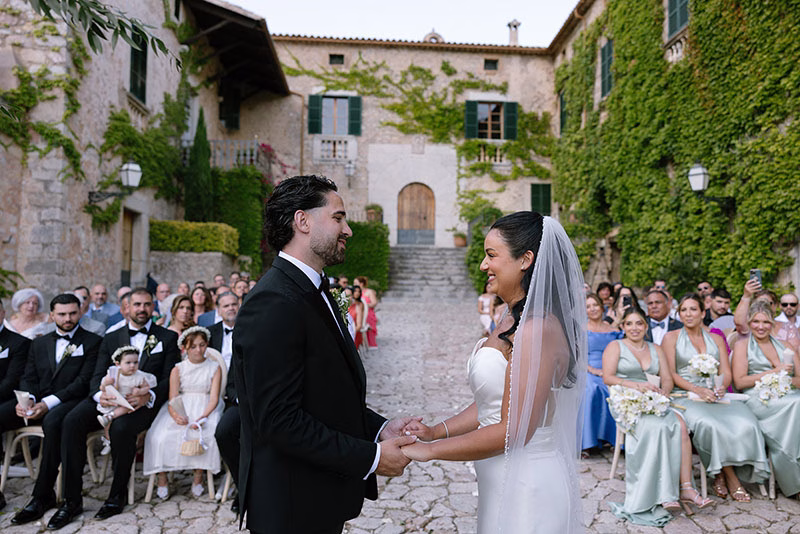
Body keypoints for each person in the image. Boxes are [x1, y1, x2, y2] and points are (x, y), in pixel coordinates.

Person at [232, 175, 417, 533]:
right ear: (302, 221)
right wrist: (373, 457)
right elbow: (278, 421)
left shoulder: (312, 289)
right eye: (338, 218)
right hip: (291, 507)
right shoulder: (273, 302)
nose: (347, 229)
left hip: (317, 499)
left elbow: (323, 396)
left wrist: (379, 428)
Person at [401, 212, 587, 533]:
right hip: (500, 476)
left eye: (491, 255)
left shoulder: (536, 329)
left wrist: (430, 452)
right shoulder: (509, 317)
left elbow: (514, 429)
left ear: (525, 260)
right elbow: (497, 400)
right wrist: (436, 431)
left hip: (528, 484)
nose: (483, 266)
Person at [52, 288, 179, 529]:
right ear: (126, 309)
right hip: (110, 399)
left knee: (121, 428)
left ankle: (116, 496)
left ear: (153, 307)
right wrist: (103, 396)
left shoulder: (167, 337)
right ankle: (71, 500)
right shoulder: (111, 338)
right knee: (72, 421)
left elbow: (168, 377)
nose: (142, 309)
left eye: (147, 304)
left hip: (145, 404)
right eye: (137, 305)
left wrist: (149, 395)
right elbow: (97, 375)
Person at [603, 307, 712, 526]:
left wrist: (663, 391)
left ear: (645, 327)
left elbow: (667, 379)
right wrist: (635, 386)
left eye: (639, 324)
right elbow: (608, 377)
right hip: (627, 400)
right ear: (623, 326)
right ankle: (663, 493)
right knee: (656, 427)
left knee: (680, 424)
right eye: (630, 324)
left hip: (653, 398)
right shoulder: (615, 346)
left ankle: (686, 488)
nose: (634, 328)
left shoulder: (656, 348)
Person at [4, 294, 101, 525]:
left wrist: (47, 404)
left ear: (80, 313)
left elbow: (84, 382)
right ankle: (50, 497)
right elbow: (29, 377)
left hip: (75, 400)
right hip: (45, 402)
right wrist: (27, 401)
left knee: (58, 420)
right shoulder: (39, 343)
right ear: (51, 315)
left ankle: (56, 498)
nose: (68, 319)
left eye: (72, 313)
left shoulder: (93, 342)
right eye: (62, 314)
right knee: (53, 420)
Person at [662, 294, 769, 502]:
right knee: (710, 424)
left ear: (703, 313)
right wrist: (698, 390)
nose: (688, 314)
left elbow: (726, 371)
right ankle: (730, 477)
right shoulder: (671, 337)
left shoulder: (716, 338)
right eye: (684, 310)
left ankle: (723, 472)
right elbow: (672, 373)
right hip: (686, 395)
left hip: (717, 393)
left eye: (693, 309)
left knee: (747, 422)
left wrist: (720, 387)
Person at [144, 326, 223, 498]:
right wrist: (175, 415)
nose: (198, 350)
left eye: (202, 345)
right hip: (182, 405)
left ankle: (198, 475)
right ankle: (162, 476)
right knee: (159, 436)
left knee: (206, 434)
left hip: (205, 405)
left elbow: (214, 398)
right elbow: (173, 397)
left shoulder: (214, 367)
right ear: (185, 348)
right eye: (193, 346)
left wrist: (203, 416)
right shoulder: (178, 369)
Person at [732, 301, 800, 498]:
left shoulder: (786, 346)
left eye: (766, 322)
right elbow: (740, 381)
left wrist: (786, 381)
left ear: (773, 324)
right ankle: (795, 483)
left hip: (787, 394)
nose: (761, 326)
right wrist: (773, 372)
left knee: (796, 403)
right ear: (750, 323)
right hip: (757, 398)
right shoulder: (742, 345)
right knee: (797, 404)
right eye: (755, 321)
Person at [209, 291, 241, 513]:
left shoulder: (250, 329)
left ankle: (242, 485)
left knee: (227, 431)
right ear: (218, 310)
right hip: (209, 394)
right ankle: (209, 474)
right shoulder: (209, 334)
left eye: (234, 304)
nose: (230, 308)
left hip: (236, 396)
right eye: (226, 305)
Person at [96, 346, 158, 452]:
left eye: (135, 362)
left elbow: (147, 388)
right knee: (107, 425)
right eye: (128, 363)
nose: (132, 366)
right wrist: (106, 384)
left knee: (127, 407)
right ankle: (108, 442)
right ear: (118, 364)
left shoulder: (140, 376)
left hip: (128, 401)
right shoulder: (113, 374)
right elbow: (102, 387)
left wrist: (139, 392)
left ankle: (110, 416)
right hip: (114, 400)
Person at [582, 293, 621, 455]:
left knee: (616, 389)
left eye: (595, 305)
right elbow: (576, 357)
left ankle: (614, 439)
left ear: (602, 307)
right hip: (587, 369)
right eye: (588, 306)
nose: (592, 309)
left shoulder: (614, 331)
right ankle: (588, 442)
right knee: (591, 389)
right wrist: (594, 370)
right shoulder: (581, 329)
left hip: (611, 370)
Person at [354, 276, 379, 348]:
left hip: (368, 313)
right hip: (358, 311)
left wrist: (364, 305)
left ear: (361, 284)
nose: (354, 284)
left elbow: (374, 303)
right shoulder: (355, 292)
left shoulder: (369, 292)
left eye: (356, 283)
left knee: (365, 318)